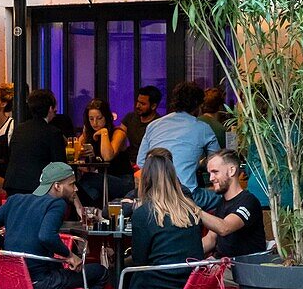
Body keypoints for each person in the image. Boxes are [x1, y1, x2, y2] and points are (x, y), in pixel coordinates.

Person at [128, 149, 206, 289]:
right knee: (144, 275)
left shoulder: (144, 213)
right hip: (193, 288)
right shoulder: (190, 209)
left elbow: (140, 260)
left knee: (140, 275)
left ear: (146, 179)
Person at [136, 82, 221, 210]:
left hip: (154, 195)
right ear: (198, 105)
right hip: (187, 196)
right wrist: (198, 163)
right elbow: (217, 162)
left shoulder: (154, 125)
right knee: (225, 196)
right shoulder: (203, 128)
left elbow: (141, 162)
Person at [199, 150, 266, 259]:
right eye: (209, 173)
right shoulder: (221, 203)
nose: (211, 178)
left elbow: (225, 228)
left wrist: (193, 209)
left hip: (244, 269)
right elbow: (210, 238)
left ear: (231, 170)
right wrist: (186, 254)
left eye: (215, 172)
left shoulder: (249, 201)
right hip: (222, 265)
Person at [3, 89, 67, 196]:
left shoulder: (19, 129)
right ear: (50, 109)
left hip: (13, 184)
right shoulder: (53, 132)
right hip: (38, 187)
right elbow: (61, 166)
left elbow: (10, 154)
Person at [74, 98, 134, 206]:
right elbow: (75, 155)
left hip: (123, 181)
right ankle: (97, 210)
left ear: (106, 117)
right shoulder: (88, 134)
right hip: (102, 178)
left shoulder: (118, 133)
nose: (95, 123)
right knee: (77, 185)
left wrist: (104, 132)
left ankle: (97, 209)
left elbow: (107, 157)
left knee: (86, 180)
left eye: (99, 118)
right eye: (91, 119)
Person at [121, 85, 161, 160]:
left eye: (142, 104)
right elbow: (120, 135)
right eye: (137, 102)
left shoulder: (158, 124)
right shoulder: (130, 117)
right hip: (128, 162)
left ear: (153, 106)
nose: (137, 106)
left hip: (147, 164)